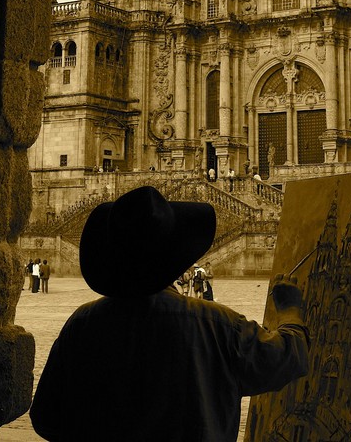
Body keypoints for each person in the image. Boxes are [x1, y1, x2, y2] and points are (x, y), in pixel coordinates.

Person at [30, 185, 309, 442]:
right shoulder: (218, 326)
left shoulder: (82, 324)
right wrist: (290, 311)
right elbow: (288, 357)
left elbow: (45, 418)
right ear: (177, 255)